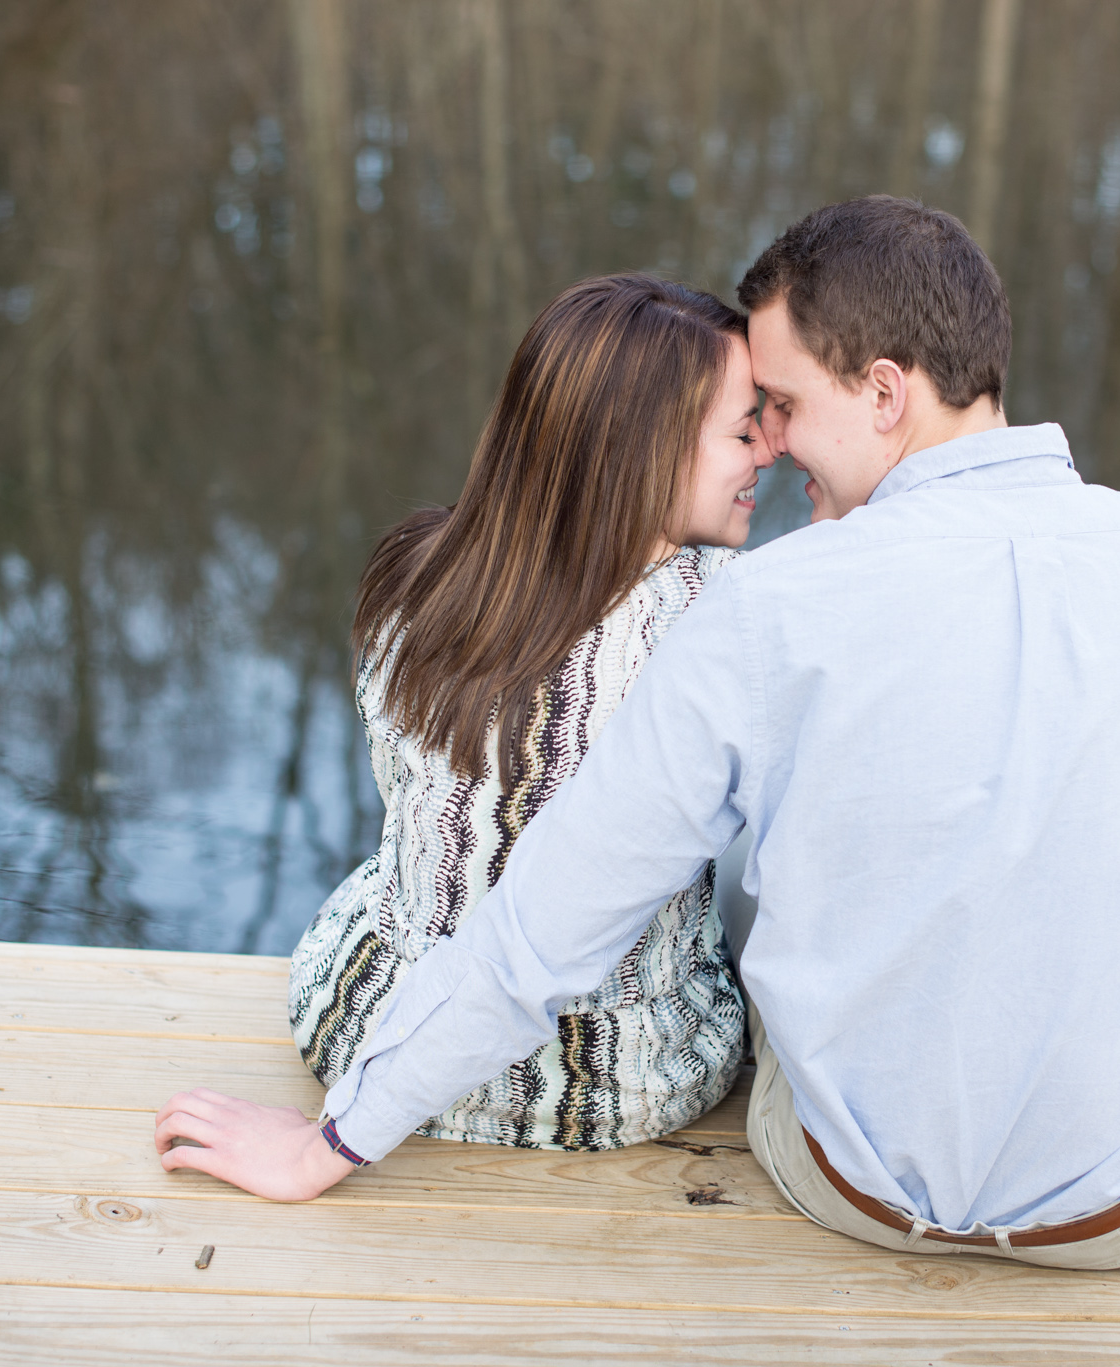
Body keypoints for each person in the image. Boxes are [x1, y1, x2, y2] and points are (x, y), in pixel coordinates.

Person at [157, 198, 1120, 1273]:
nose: (770, 444)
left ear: (884, 392)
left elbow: (538, 928)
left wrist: (328, 1142)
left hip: (843, 1179)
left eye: (778, 401)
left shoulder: (769, 607)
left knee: (767, 831)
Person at [160, 273, 772, 1174]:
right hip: (609, 1081)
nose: (769, 450)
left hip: (359, 1021)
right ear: (646, 450)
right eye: (744, 428)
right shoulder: (716, 618)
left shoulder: (420, 574)